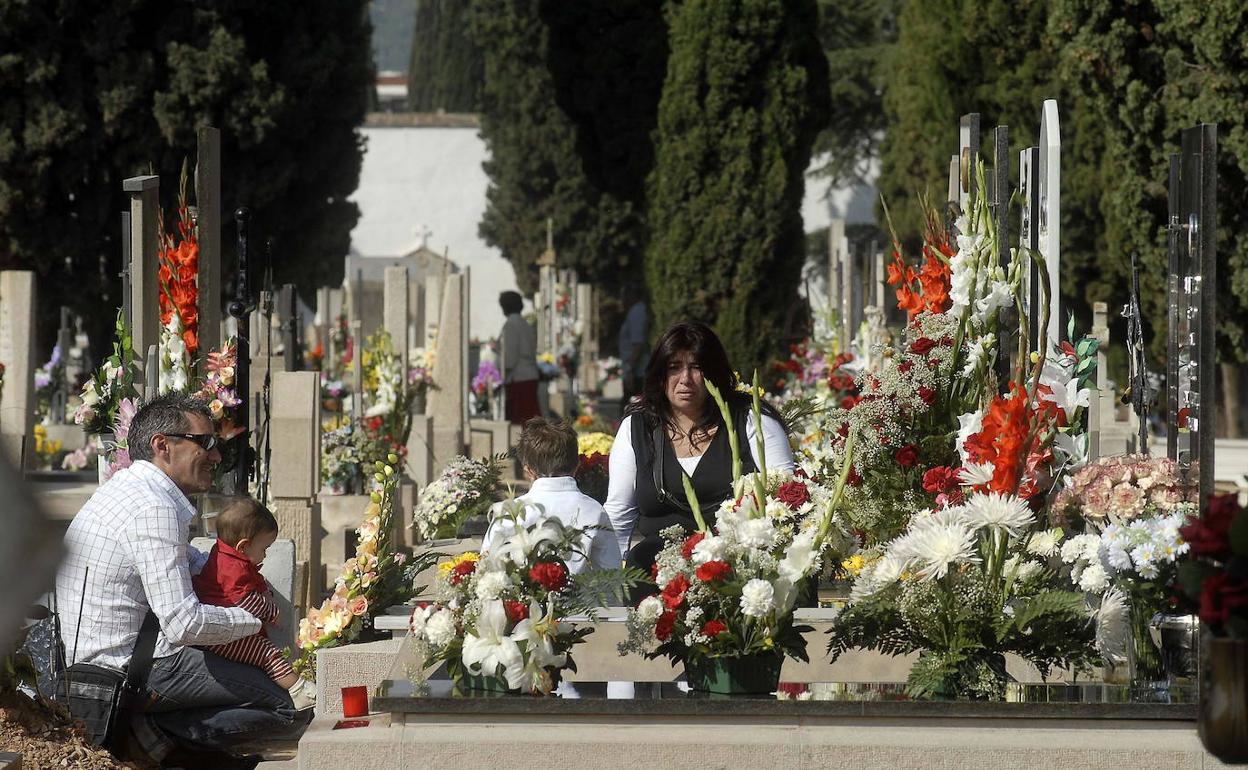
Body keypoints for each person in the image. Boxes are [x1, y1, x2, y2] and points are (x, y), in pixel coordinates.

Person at [55, 393, 310, 769]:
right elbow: (184, 623)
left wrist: (230, 570)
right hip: (129, 670)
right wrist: (254, 620)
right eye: (205, 443)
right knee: (287, 704)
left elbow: (187, 560)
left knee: (265, 679)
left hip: (100, 660)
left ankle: (160, 735)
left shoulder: (129, 490)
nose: (217, 456)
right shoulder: (153, 507)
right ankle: (153, 734)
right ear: (163, 446)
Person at [603, 322, 793, 595]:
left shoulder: (752, 421)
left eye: (696, 367)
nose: (685, 379)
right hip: (656, 574)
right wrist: (607, 589)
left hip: (738, 575)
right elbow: (619, 515)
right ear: (659, 373)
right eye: (674, 367)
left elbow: (785, 502)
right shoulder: (637, 428)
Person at [191, 498, 316, 710]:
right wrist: (270, 611)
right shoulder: (233, 568)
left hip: (221, 629)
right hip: (222, 635)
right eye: (265, 548)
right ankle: (299, 691)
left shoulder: (226, 555)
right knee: (267, 653)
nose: (266, 554)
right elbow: (245, 599)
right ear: (244, 546)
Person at [482, 417, 621, 574]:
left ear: (528, 471)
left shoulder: (508, 513)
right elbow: (611, 574)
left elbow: (488, 567)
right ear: (577, 466)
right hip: (583, 596)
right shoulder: (594, 511)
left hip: (521, 597)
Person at [498, 290, 541, 424]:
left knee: (521, 419)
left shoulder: (510, 325)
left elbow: (510, 358)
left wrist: (501, 371)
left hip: (518, 378)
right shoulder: (525, 324)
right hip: (530, 375)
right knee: (531, 415)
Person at [617, 285, 648, 403]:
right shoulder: (634, 312)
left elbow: (638, 344)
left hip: (637, 372)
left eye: (623, 296)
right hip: (634, 370)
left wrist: (630, 369)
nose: (622, 300)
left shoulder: (637, 313)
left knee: (630, 409)